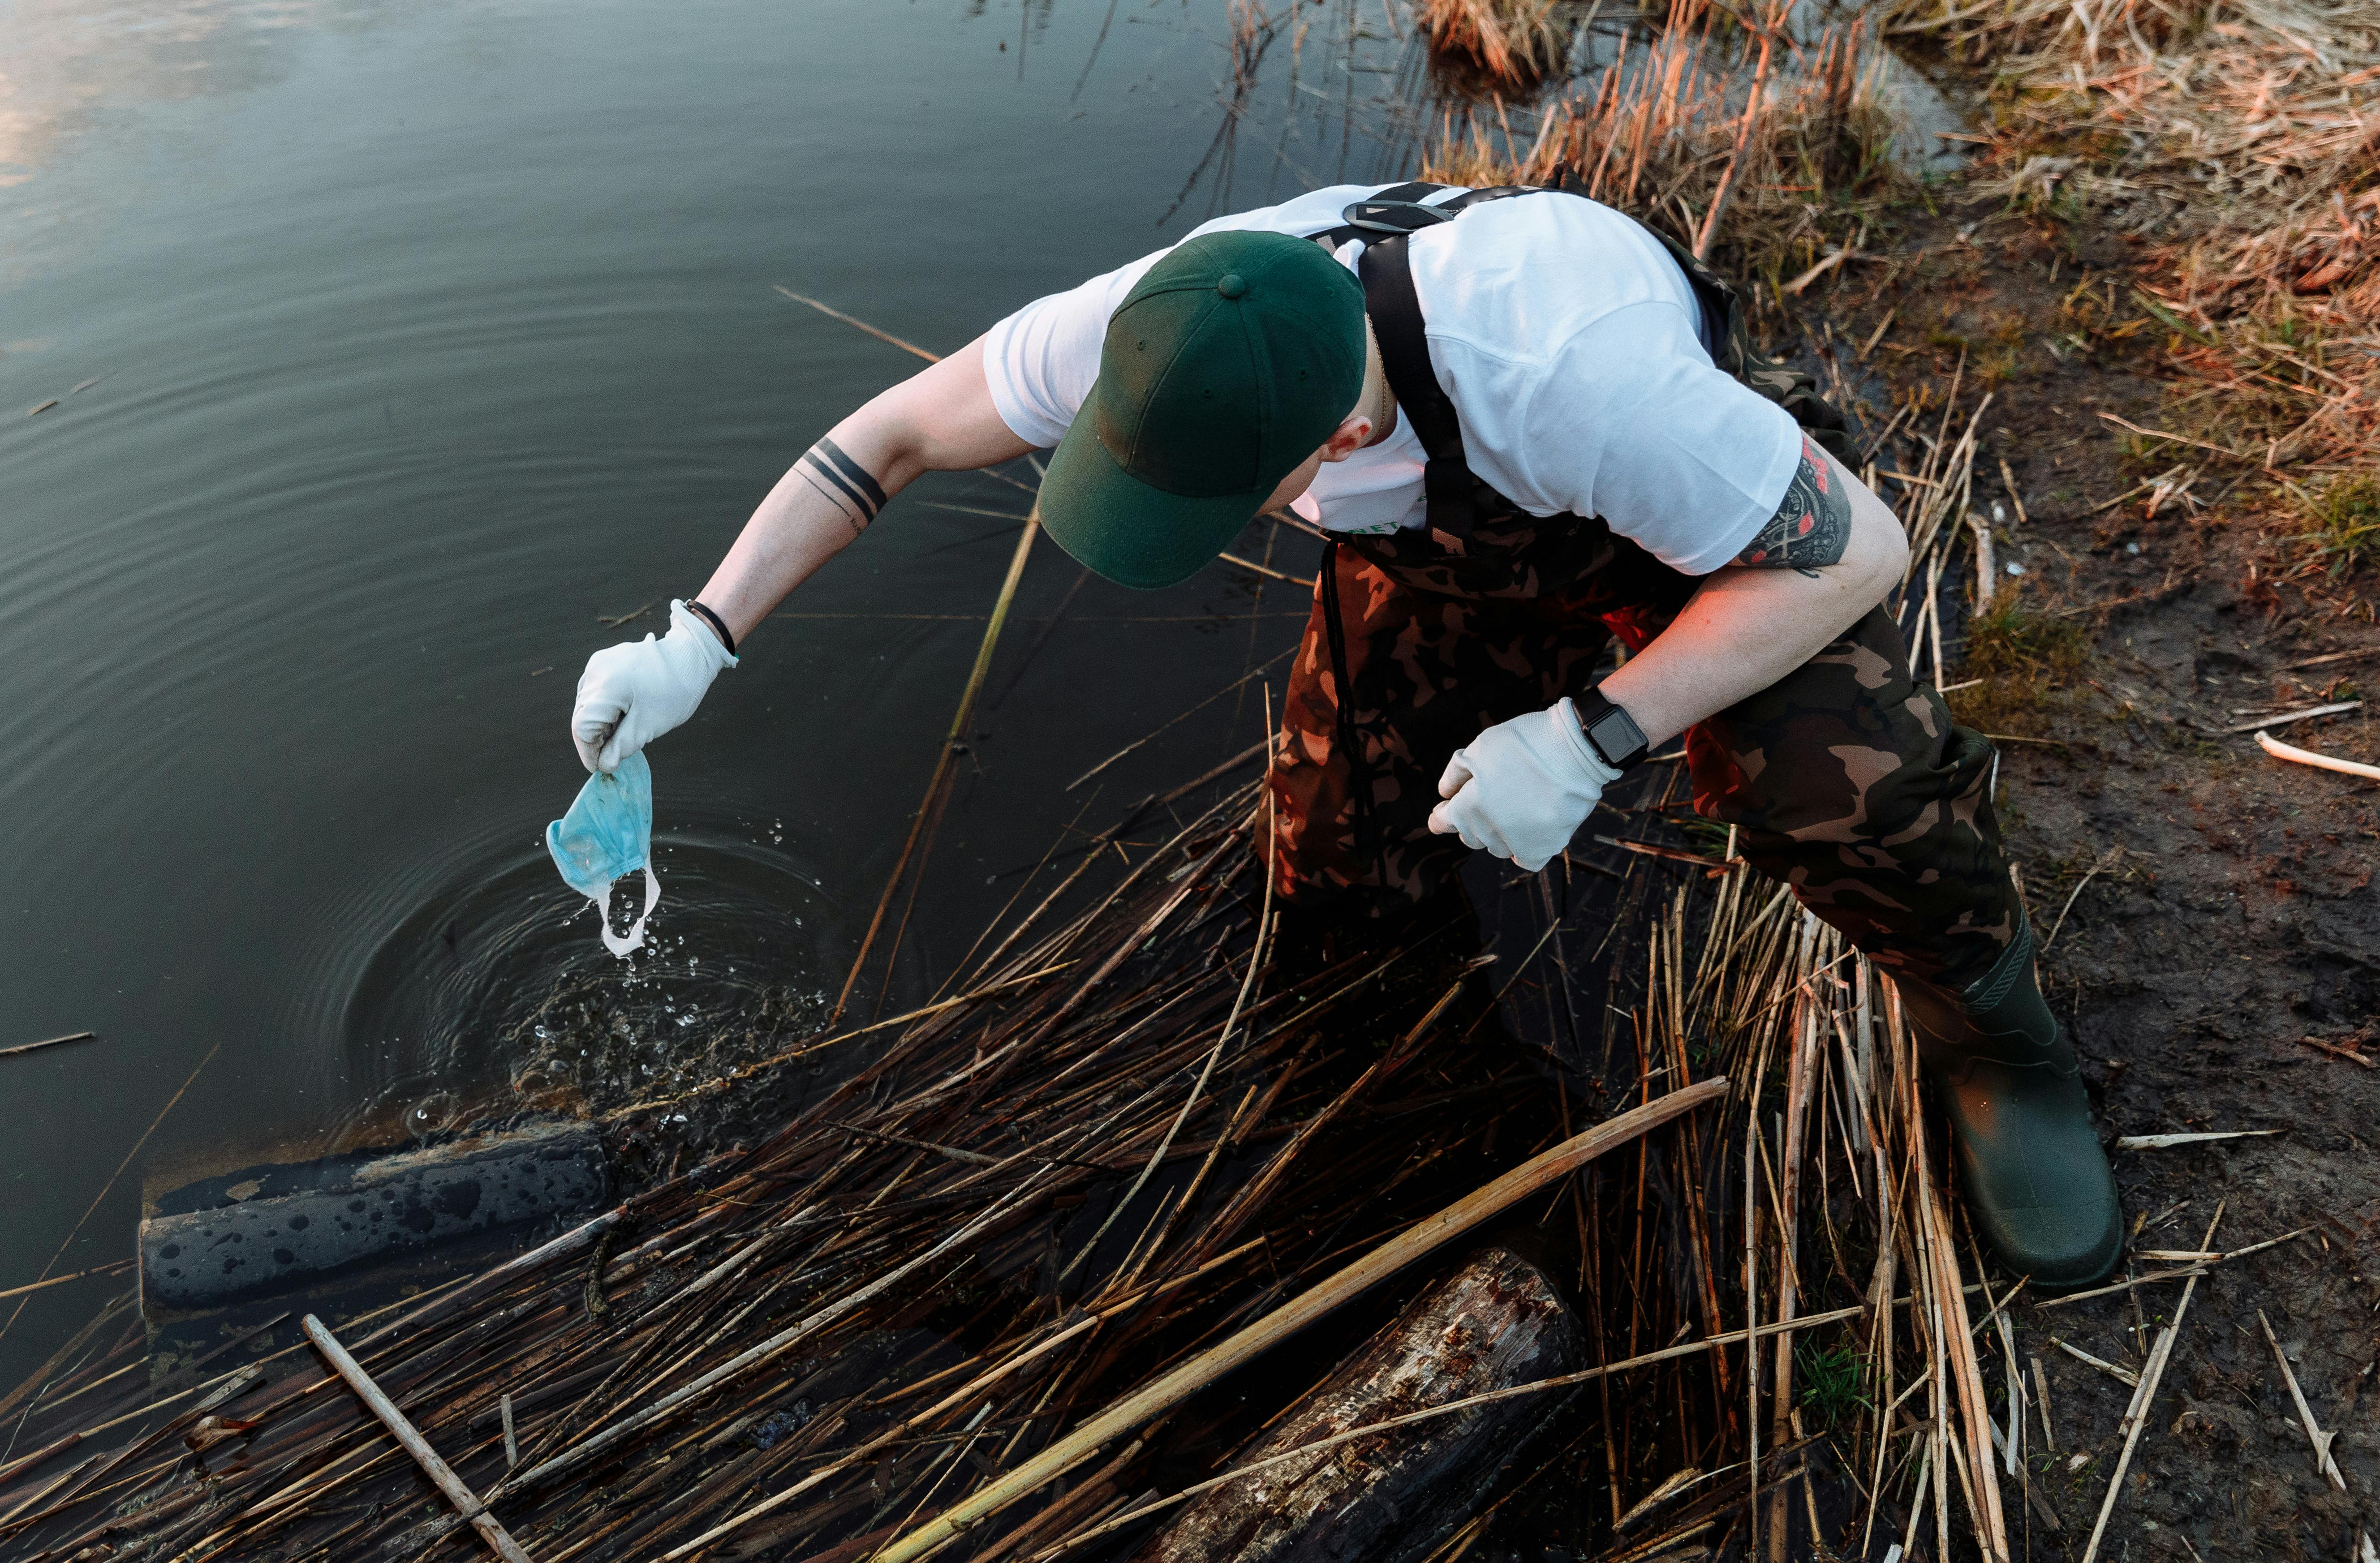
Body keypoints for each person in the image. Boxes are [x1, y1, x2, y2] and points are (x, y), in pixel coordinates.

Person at [568, 180, 2123, 1286]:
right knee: (1325, 869)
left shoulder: (1579, 379)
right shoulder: (1165, 320)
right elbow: (892, 436)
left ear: (1342, 436)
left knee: (1832, 775)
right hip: (1439, 541)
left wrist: (1594, 733)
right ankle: (1423, 1109)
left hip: (1658, 542)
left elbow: (1854, 549)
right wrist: (698, 637)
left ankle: (2002, 1042)